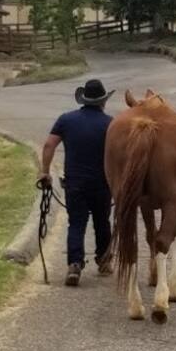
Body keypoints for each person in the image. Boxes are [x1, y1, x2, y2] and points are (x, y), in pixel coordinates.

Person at [39, 78, 116, 287]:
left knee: (76, 223)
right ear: (103, 101)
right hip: (102, 183)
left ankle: (74, 263)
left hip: (75, 183)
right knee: (102, 222)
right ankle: (104, 260)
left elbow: (48, 145)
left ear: (84, 99)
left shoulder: (66, 119)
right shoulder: (111, 124)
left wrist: (44, 172)